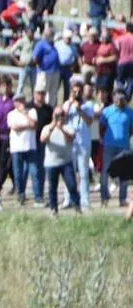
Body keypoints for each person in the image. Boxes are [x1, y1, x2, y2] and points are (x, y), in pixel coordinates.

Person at [41, 105, 81, 215]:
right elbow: (43, 139)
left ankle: (77, 207)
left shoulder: (68, 127)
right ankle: (54, 210)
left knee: (72, 185)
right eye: (57, 115)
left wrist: (61, 127)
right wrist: (53, 126)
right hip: (51, 163)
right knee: (52, 188)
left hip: (65, 162)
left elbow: (71, 138)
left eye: (62, 115)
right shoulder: (47, 127)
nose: (60, 117)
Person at [64, 78, 95, 212]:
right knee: (69, 172)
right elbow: (62, 118)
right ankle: (68, 199)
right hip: (70, 143)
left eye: (79, 91)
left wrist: (80, 110)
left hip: (83, 143)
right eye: (74, 91)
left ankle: (84, 200)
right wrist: (70, 104)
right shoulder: (67, 104)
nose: (77, 93)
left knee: (83, 173)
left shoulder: (88, 105)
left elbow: (89, 121)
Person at [100, 90, 132, 208]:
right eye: (118, 99)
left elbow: (131, 130)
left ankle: (122, 199)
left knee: (124, 174)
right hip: (109, 146)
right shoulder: (107, 111)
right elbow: (102, 128)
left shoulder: (130, 113)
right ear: (114, 99)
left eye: (122, 99)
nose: (120, 102)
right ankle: (104, 199)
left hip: (124, 147)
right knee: (105, 172)